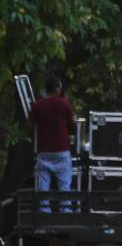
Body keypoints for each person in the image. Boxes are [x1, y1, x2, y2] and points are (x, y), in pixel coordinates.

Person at [27, 77, 75, 212]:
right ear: (57, 88)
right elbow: (73, 123)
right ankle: (65, 217)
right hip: (61, 150)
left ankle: (44, 218)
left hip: (44, 151)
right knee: (64, 189)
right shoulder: (64, 103)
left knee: (43, 189)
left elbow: (29, 125)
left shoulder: (38, 105)